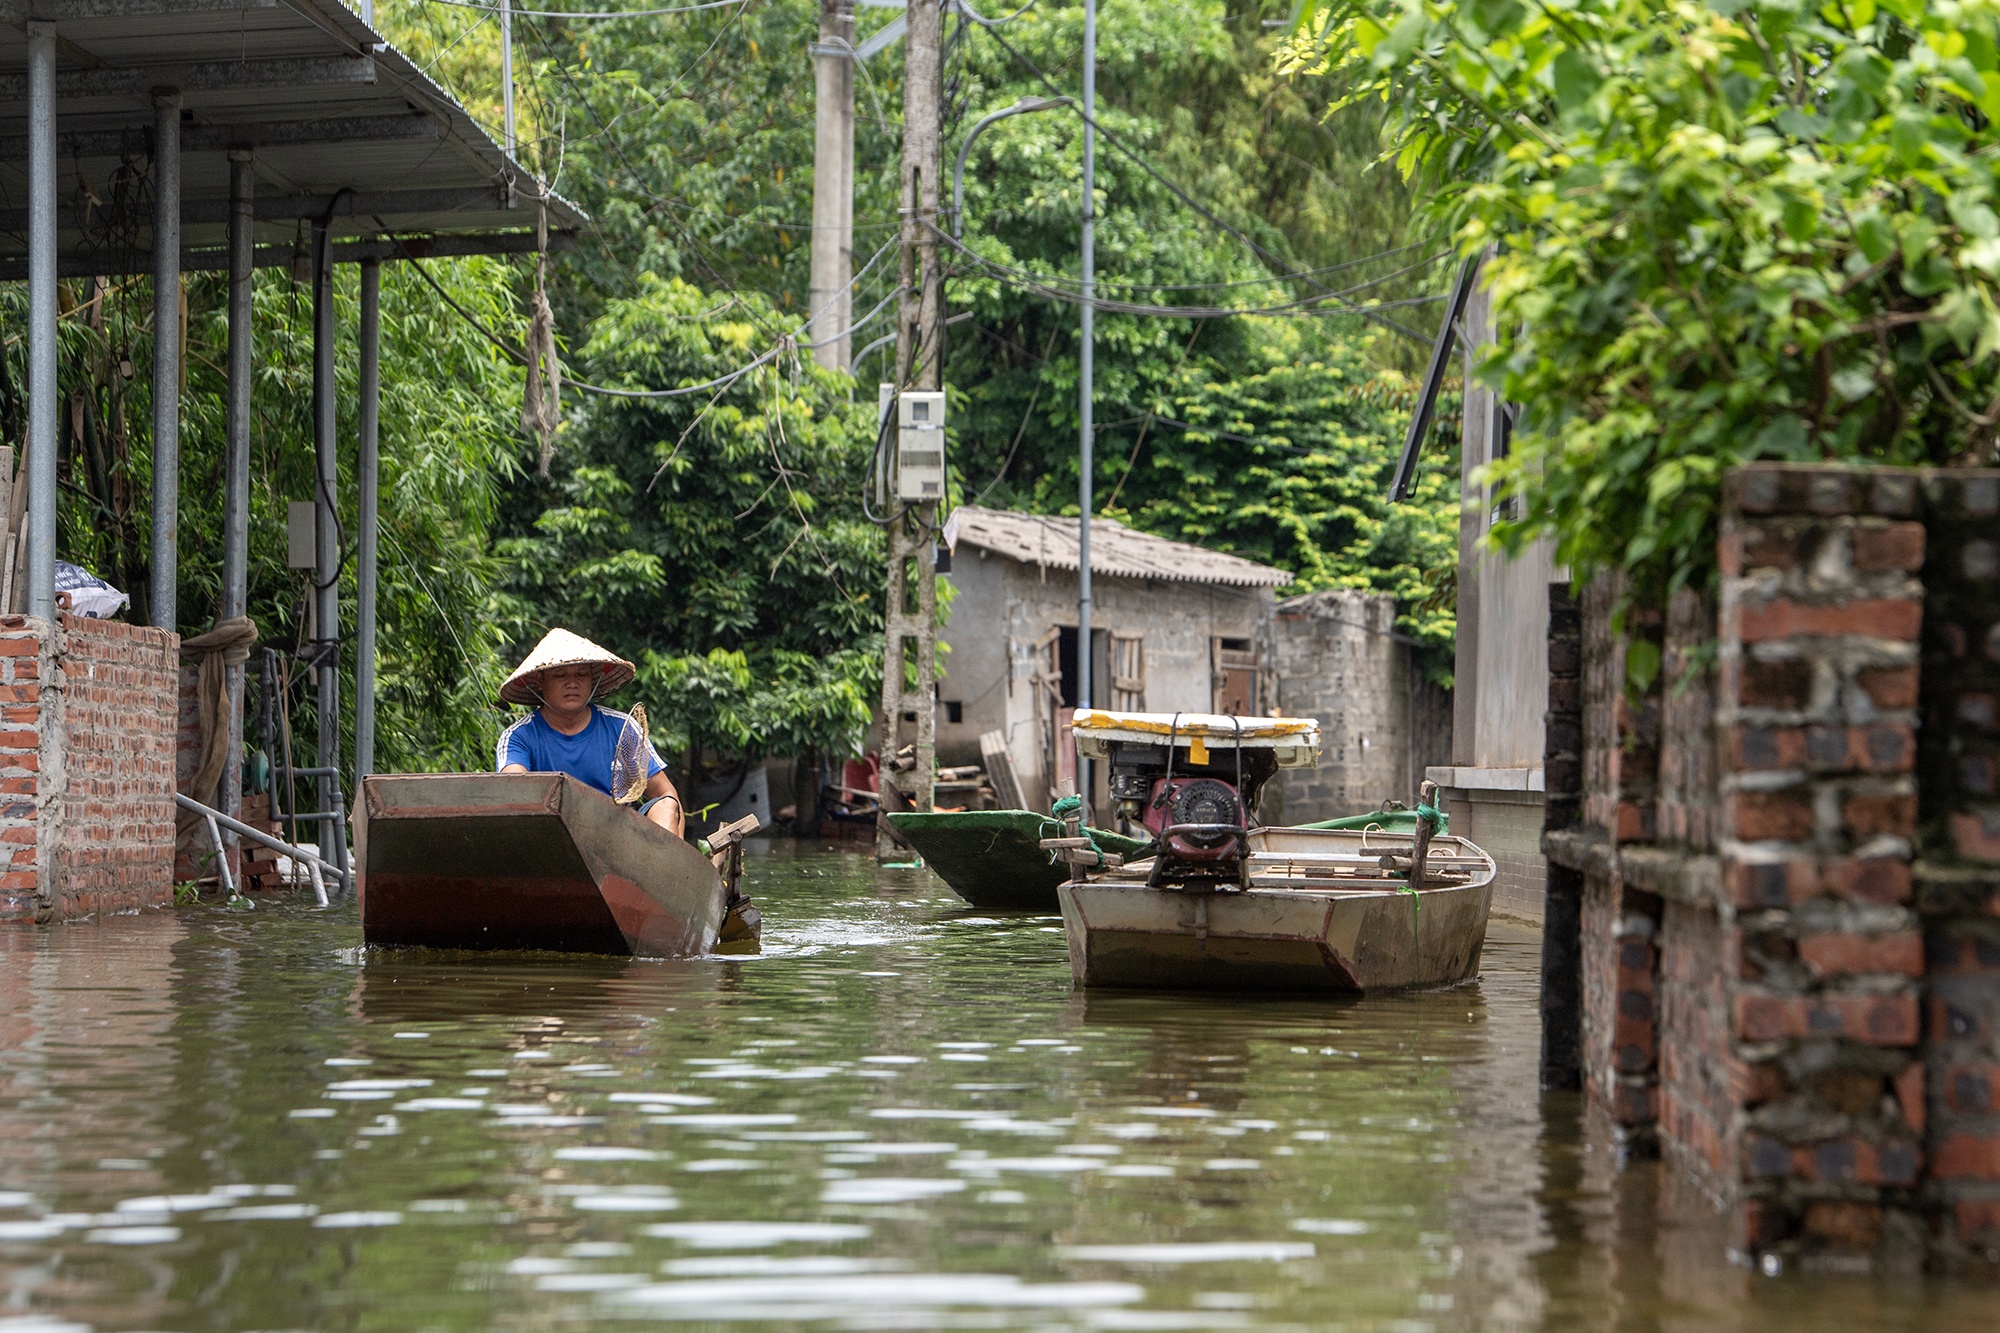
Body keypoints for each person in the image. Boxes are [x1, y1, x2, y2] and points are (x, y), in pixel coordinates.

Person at [495, 628, 686, 837]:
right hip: (552, 837)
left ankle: (668, 859)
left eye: (581, 674)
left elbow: (666, 794)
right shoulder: (519, 737)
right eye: (560, 675)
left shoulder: (621, 727)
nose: (572, 683)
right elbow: (514, 790)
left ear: (591, 680)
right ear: (540, 682)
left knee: (665, 805)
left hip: (620, 838)